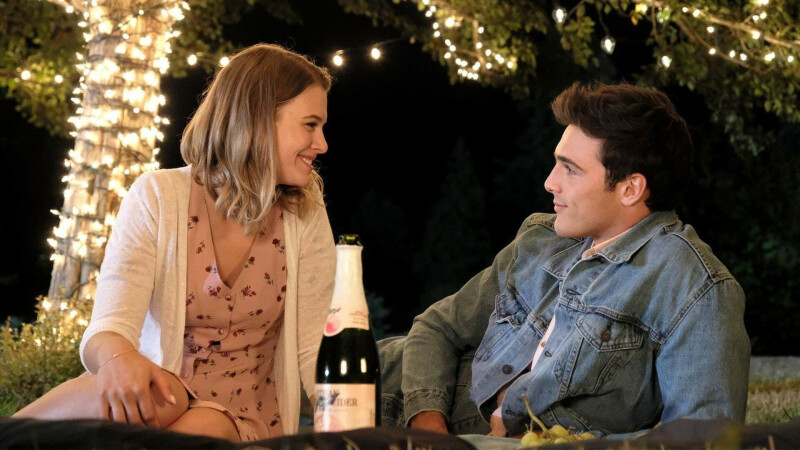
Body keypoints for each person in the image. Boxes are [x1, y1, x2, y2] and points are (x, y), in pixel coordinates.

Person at [380, 82, 750, 438]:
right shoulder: (541, 241)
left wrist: (553, 442)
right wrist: (429, 432)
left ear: (630, 188)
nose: (550, 182)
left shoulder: (694, 288)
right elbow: (437, 329)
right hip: (390, 389)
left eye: (570, 169)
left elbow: (701, 441)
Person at [14, 43, 337, 442]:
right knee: (163, 397)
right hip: (158, 395)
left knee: (207, 425)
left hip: (244, 417)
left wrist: (348, 431)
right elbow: (110, 328)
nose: (322, 143)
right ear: (257, 120)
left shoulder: (304, 211)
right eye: (310, 125)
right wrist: (118, 359)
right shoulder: (157, 196)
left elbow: (315, 348)